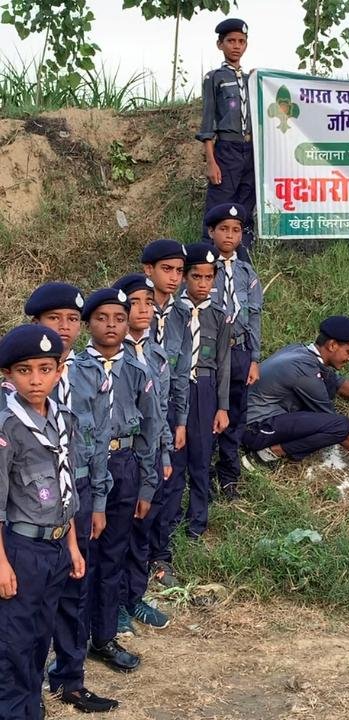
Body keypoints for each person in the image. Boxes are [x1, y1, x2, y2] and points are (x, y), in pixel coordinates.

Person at [23, 283, 118, 713]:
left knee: (75, 588)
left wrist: (98, 501)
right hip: (31, 505)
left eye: (72, 319)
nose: (64, 327)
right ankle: (25, 689)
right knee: (31, 601)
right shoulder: (22, 379)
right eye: (53, 319)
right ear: (35, 322)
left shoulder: (87, 373)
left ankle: (69, 678)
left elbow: (98, 441)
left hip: (76, 495)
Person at [0, 325, 85, 720]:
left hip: (56, 547)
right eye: (24, 370)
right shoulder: (7, 428)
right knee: (13, 642)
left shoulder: (63, 419)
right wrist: (2, 563)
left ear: (59, 371)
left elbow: (67, 487)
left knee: (40, 636)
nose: (35, 380)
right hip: (21, 550)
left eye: (45, 369)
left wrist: (72, 546)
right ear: (8, 375)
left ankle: (29, 705)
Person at [81, 288, 162, 673]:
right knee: (83, 557)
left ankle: (104, 636)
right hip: (86, 470)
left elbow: (150, 429)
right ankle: (73, 639)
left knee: (114, 553)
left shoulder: (138, 370)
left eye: (118, 318)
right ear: (88, 324)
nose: (111, 325)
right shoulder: (74, 371)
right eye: (102, 318)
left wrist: (147, 485)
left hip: (124, 465)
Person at [242, 316, 349, 476]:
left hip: (250, 418)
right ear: (332, 345)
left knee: (327, 397)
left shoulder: (301, 352)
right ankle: (267, 454)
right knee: (340, 426)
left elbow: (338, 383)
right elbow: (336, 427)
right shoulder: (305, 370)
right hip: (254, 429)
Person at [112, 273, 173, 634]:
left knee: (142, 530)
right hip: (121, 456)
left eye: (149, 302)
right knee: (117, 535)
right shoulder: (111, 356)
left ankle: (134, 595)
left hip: (151, 455)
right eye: (135, 303)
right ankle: (114, 603)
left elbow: (160, 411)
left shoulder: (156, 354)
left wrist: (164, 456)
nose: (144, 310)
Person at [169, 243, 231, 540]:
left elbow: (223, 363)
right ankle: (169, 518)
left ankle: (197, 522)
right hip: (176, 388)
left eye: (208, 277)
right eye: (196, 277)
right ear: (185, 277)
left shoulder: (219, 316)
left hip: (205, 389)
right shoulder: (171, 312)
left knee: (201, 455)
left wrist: (223, 406)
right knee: (174, 455)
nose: (203, 284)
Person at [141, 238, 192, 589]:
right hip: (139, 409)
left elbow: (182, 370)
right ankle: (135, 554)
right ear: (149, 270)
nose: (174, 277)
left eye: (179, 271)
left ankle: (160, 555)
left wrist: (182, 420)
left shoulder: (182, 314)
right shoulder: (133, 307)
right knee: (139, 481)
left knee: (169, 481)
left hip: (170, 407)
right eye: (167, 269)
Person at [207, 203, 263, 499]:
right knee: (208, 412)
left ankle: (228, 476)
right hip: (209, 354)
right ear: (211, 232)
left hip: (239, 351)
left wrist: (254, 358)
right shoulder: (203, 271)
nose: (230, 235)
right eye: (224, 229)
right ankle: (203, 473)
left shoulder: (247, 273)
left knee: (236, 414)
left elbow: (254, 317)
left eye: (236, 230)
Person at [197, 18, 255, 252]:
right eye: (231, 41)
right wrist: (211, 162)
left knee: (246, 204)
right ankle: (208, 259)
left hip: (250, 151)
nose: (236, 46)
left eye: (241, 41)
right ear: (220, 44)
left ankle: (242, 257)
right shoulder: (215, 78)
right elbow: (208, 122)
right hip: (227, 149)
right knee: (219, 205)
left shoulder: (252, 80)